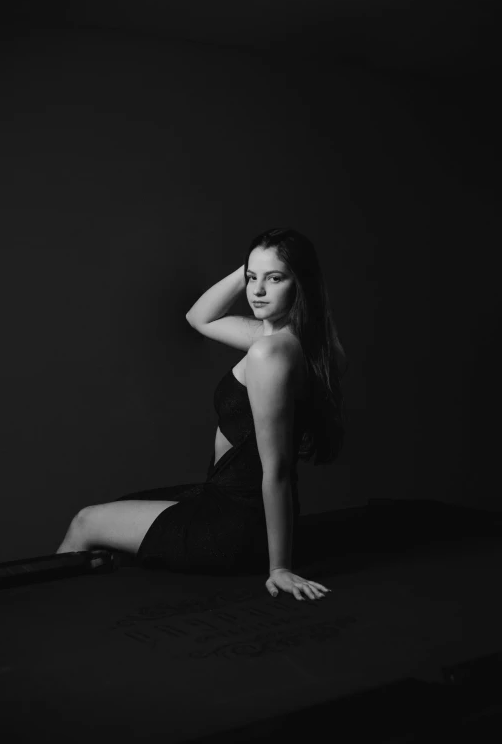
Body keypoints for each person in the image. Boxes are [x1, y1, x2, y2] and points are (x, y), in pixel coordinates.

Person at [56, 228, 347, 601]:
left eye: (274, 278)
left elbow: (277, 469)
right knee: (118, 516)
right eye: (250, 278)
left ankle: (59, 623)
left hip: (233, 525)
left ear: (300, 283)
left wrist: (280, 568)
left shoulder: (269, 355)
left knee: (86, 521)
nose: (256, 291)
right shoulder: (299, 346)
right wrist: (252, 265)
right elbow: (200, 317)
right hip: (225, 503)